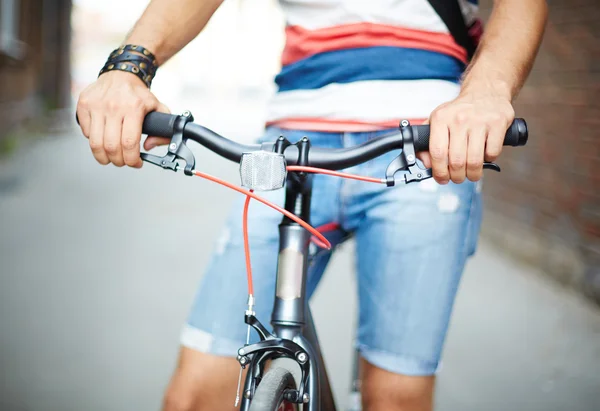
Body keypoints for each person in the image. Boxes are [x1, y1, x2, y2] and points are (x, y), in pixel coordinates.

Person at [76, 0, 547, 410]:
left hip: (427, 143)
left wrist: (485, 93)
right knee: (195, 398)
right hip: (288, 148)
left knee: (395, 398)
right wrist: (128, 66)